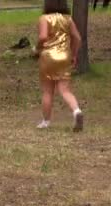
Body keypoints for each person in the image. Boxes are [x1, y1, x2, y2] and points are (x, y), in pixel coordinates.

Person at [36, 0, 83, 132]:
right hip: (64, 57)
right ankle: (76, 111)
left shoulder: (44, 18)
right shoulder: (68, 19)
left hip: (48, 57)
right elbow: (77, 38)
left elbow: (43, 36)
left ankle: (46, 121)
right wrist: (73, 54)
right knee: (65, 90)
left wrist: (37, 48)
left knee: (47, 91)